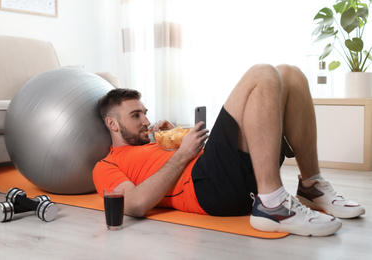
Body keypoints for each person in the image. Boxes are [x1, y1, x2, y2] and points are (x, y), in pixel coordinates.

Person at [93, 64, 365, 237]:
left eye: (145, 113)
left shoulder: (154, 142)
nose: (146, 121)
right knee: (261, 74)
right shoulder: (106, 165)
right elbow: (135, 204)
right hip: (207, 188)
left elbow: (179, 157)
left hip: (228, 174)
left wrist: (175, 136)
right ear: (112, 124)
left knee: (291, 75)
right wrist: (182, 154)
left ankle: (311, 185)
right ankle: (272, 205)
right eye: (136, 116)